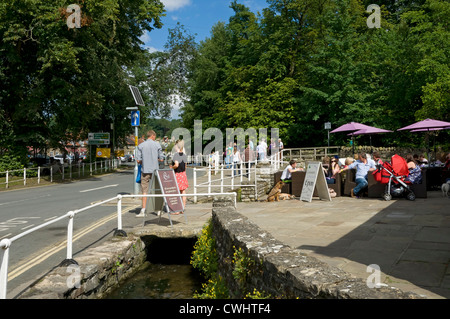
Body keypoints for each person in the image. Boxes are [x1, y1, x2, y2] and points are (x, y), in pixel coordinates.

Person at [136, 130, 164, 217]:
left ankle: (143, 210)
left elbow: (138, 160)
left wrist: (144, 162)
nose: (155, 138)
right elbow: (162, 158)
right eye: (154, 137)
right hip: (156, 171)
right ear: (152, 136)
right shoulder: (157, 145)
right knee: (158, 190)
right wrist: (156, 160)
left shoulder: (141, 146)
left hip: (145, 171)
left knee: (144, 191)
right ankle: (159, 210)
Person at [170, 140, 188, 211]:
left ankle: (177, 209)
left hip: (177, 175)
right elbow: (185, 165)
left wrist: (172, 167)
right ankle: (183, 208)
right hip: (183, 174)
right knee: (183, 191)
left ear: (177, 146)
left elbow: (176, 165)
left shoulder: (176, 155)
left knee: (177, 192)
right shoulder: (184, 155)